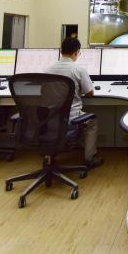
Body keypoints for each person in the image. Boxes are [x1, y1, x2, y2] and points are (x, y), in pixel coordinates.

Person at [45, 37, 103, 169]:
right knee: (92, 121)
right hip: (71, 118)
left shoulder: (47, 70)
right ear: (76, 52)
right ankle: (89, 158)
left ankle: (49, 157)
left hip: (48, 119)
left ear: (61, 51)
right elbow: (90, 93)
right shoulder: (78, 69)